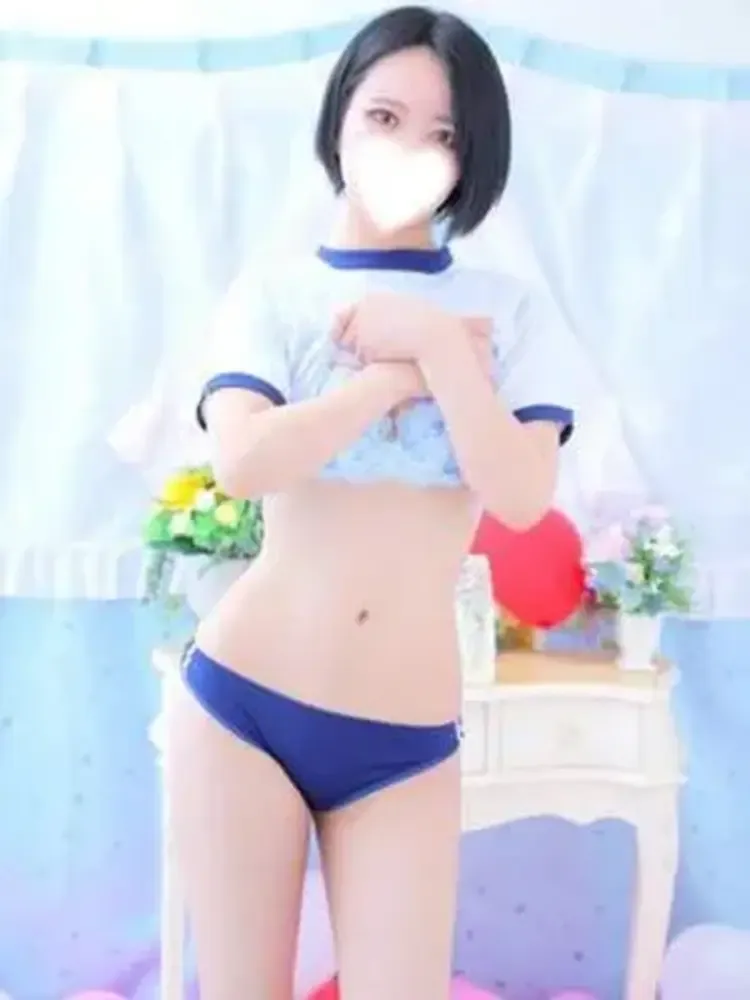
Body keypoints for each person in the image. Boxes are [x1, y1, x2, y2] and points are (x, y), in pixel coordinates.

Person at [164, 7, 576, 999]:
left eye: (443, 133)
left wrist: (434, 344)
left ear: (472, 157)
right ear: (340, 119)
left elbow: (520, 496)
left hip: (404, 740)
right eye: (384, 117)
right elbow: (244, 463)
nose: (407, 150)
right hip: (245, 703)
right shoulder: (273, 295)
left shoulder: (508, 312)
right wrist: (388, 381)